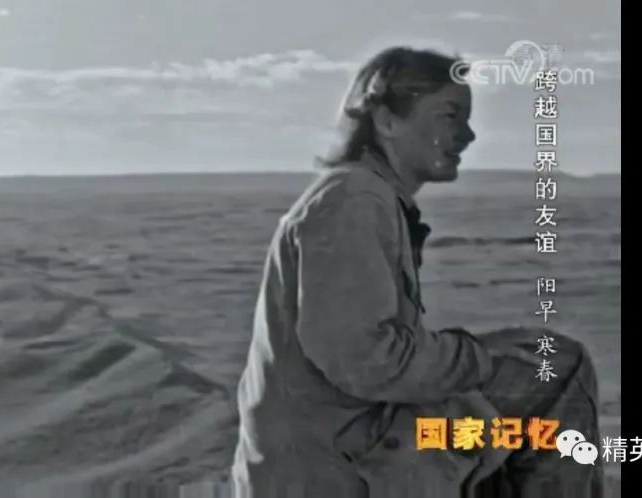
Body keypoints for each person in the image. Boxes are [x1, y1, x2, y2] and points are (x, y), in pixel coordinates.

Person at [231, 47, 602, 498]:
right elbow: (364, 362)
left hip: (345, 442)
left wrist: (476, 358)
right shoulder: (353, 200)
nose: (467, 135)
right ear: (387, 120)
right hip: (340, 463)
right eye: (449, 116)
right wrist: (479, 358)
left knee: (512, 402)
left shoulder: (364, 195)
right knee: (557, 368)